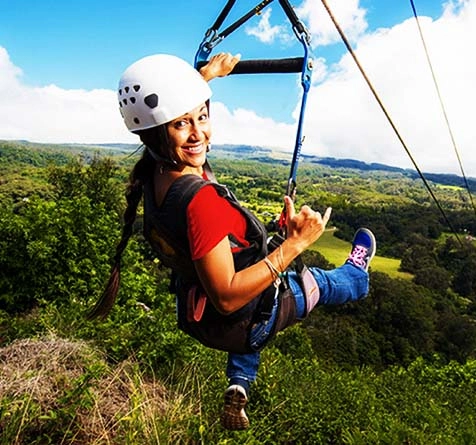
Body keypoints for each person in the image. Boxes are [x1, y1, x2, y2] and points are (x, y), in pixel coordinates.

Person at [91, 52, 376, 430]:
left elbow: (174, 123)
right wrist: (296, 244)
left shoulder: (155, 175)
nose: (198, 134)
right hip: (236, 314)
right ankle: (358, 277)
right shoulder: (200, 202)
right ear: (157, 132)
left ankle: (239, 383)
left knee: (252, 305)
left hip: (201, 317)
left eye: (202, 117)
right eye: (181, 124)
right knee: (316, 282)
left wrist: (205, 76)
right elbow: (227, 296)